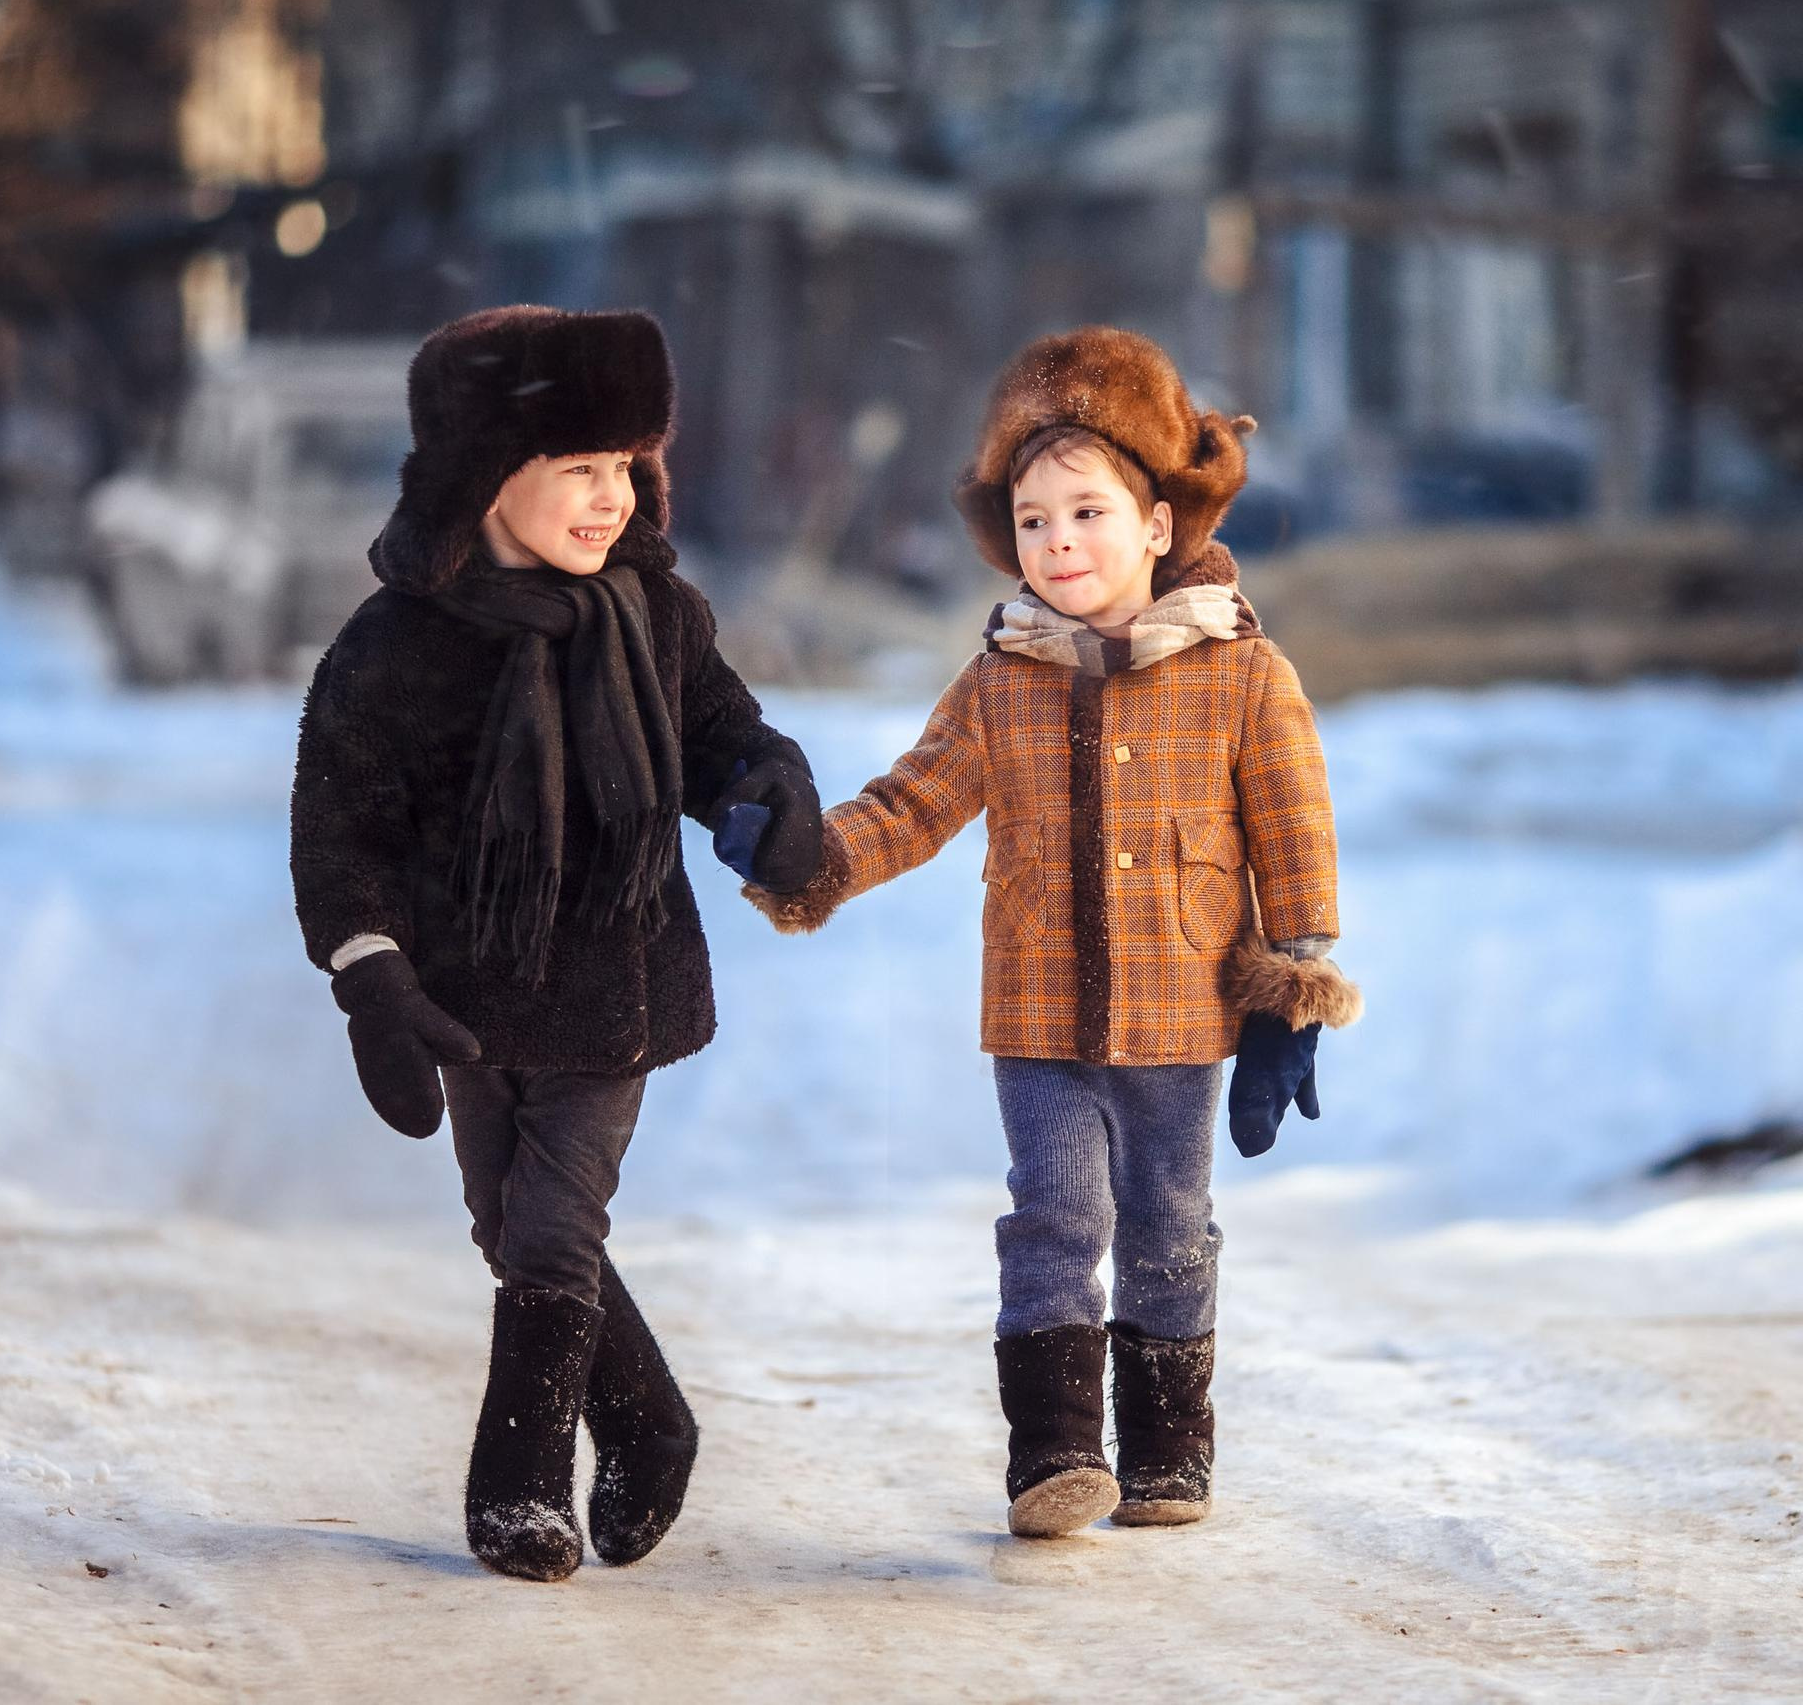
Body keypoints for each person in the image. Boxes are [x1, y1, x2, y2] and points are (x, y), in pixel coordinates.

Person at [742, 326, 1360, 1538]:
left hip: (1183, 1017)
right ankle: (1057, 1456)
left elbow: (1293, 827)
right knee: (1053, 1219)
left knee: (1171, 1224)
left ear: (1159, 526)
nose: (1060, 542)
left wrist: (1295, 990)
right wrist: (810, 859)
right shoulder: (1001, 680)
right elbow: (914, 804)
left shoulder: (1242, 674)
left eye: (1087, 512)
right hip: (1036, 1017)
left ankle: (1170, 1453)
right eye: (1033, 521)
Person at [289, 306, 822, 1580]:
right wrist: (372, 978)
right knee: (501, 1219)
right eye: (577, 467)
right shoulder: (395, 646)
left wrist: (771, 791)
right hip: (465, 993)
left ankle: (521, 1489)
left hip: (609, 983)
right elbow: (340, 824)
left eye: (627, 465)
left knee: (550, 1233)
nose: (609, 498)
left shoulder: (656, 614)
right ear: (485, 474)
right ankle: (649, 1423)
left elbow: (720, 736)